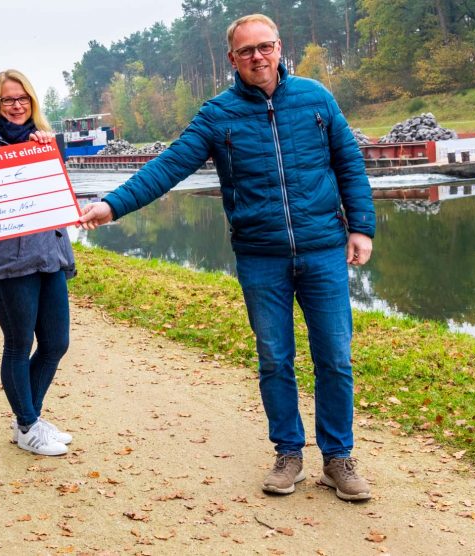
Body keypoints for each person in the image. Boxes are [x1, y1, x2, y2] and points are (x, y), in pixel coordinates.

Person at [79, 14, 375, 501]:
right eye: (247, 51)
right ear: (231, 59)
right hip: (261, 257)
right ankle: (289, 454)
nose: (258, 57)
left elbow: (349, 163)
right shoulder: (217, 114)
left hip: (323, 249)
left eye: (266, 47)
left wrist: (361, 226)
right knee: (275, 358)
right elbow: (170, 165)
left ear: (280, 48)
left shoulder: (316, 99)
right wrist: (112, 205)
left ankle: (339, 459)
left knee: (335, 359)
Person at [0, 69, 76, 457]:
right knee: (19, 342)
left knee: (56, 343)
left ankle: (26, 418)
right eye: (9, 100)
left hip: (51, 253)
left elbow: (58, 192)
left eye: (23, 99)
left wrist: (50, 151)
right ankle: (29, 425)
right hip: (10, 262)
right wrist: (33, 152)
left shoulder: (44, 139)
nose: (17, 106)